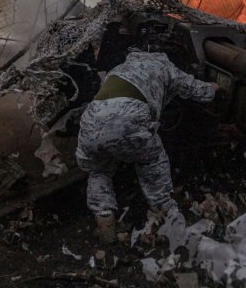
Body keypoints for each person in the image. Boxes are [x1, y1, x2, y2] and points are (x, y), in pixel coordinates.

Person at [75, 48, 218, 243]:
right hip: (128, 118)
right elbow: (198, 91)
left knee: (99, 171)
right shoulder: (166, 67)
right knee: (152, 161)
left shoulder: (119, 69)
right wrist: (215, 87)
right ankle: (165, 214)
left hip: (90, 122)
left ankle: (104, 218)